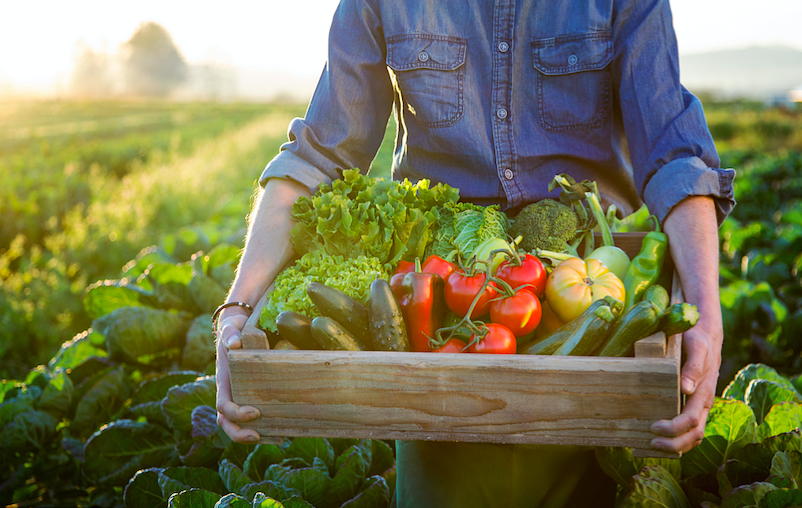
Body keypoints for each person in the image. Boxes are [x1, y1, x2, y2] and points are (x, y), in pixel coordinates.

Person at [215, 0, 735, 506]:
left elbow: (676, 156)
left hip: (588, 293)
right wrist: (237, 309)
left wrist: (706, 317)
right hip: (438, 327)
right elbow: (315, 157)